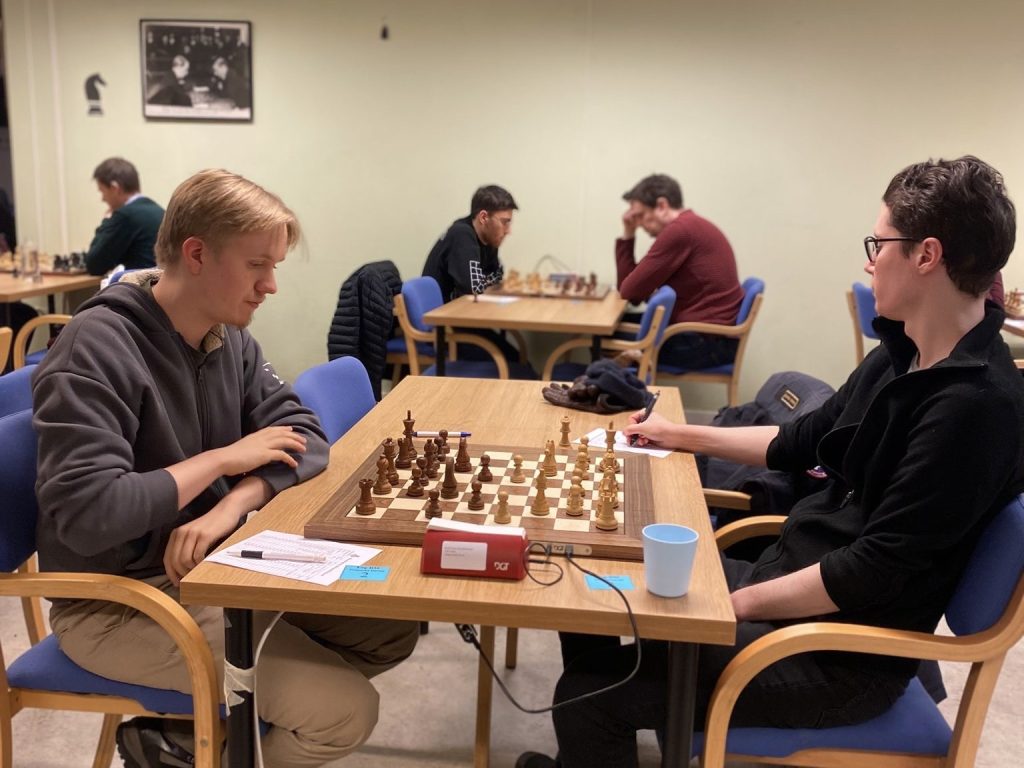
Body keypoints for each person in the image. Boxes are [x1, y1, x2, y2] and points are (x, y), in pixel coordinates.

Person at [518, 155, 1024, 768]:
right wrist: (678, 435)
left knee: (587, 695)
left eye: (878, 243)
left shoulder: (977, 407)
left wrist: (730, 606)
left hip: (840, 653)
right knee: (590, 589)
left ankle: (593, 734)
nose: (869, 262)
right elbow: (800, 440)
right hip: (790, 580)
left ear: (926, 256)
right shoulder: (903, 351)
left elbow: (872, 572)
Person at [32, 169, 419, 767]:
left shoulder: (226, 337)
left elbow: (306, 436)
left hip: (212, 564)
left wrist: (233, 502)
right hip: (117, 601)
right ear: (196, 255)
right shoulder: (95, 347)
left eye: (275, 267)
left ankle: (184, 744)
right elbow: (89, 514)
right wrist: (220, 460)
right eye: (257, 265)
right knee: (345, 712)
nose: (271, 286)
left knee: (388, 630)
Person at [617, 174, 744, 369]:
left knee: (605, 335)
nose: (639, 223)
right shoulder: (689, 226)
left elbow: (629, 292)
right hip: (708, 337)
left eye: (640, 215)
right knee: (614, 326)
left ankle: (595, 386)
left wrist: (628, 236)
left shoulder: (680, 231)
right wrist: (629, 232)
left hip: (703, 343)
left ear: (662, 205)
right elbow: (630, 290)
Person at [422, 184, 522, 361]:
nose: (508, 231)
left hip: (463, 320)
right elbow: (474, 288)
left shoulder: (489, 239)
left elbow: (498, 275)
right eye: (504, 222)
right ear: (484, 217)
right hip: (443, 330)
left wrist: (488, 281)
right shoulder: (462, 235)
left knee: (517, 359)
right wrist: (489, 281)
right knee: (512, 362)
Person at [84, 157, 164, 276]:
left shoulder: (125, 216)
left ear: (115, 188)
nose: (102, 199)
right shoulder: (159, 210)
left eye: (102, 191)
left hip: (139, 285)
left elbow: (94, 265)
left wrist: (106, 221)